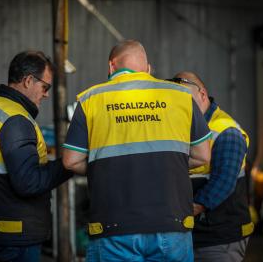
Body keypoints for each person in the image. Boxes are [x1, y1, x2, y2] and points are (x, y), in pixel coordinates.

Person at [62, 40, 211, 261]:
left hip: (113, 226)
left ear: (111, 67)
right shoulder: (181, 96)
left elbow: (70, 161)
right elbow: (202, 155)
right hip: (172, 224)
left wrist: (105, 166)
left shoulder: (91, 100)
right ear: (148, 68)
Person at [0, 51, 72, 262]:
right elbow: (28, 183)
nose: (46, 94)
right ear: (28, 80)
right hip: (14, 236)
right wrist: (67, 165)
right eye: (45, 87)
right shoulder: (16, 119)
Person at [169, 72, 253, 262]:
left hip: (219, 237)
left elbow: (223, 183)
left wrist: (185, 211)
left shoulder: (226, 131)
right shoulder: (184, 129)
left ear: (203, 95)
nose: (182, 109)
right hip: (190, 235)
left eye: (187, 102)